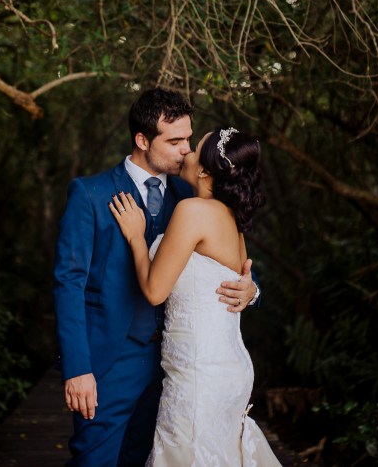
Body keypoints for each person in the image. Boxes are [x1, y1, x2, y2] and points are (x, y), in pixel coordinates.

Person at [53, 89, 260, 467]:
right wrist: (78, 368)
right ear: (143, 140)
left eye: (189, 139)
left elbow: (227, 257)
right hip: (111, 362)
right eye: (175, 140)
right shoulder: (91, 193)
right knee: (94, 460)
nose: (185, 149)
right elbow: (69, 284)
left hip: (175, 366)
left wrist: (252, 288)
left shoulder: (191, 196)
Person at [109, 126, 281, 466]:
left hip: (199, 372)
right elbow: (239, 279)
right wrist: (253, 288)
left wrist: (136, 237)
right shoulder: (233, 220)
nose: (186, 151)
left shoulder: (192, 211)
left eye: (194, 147)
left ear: (203, 169)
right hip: (228, 368)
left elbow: (155, 291)